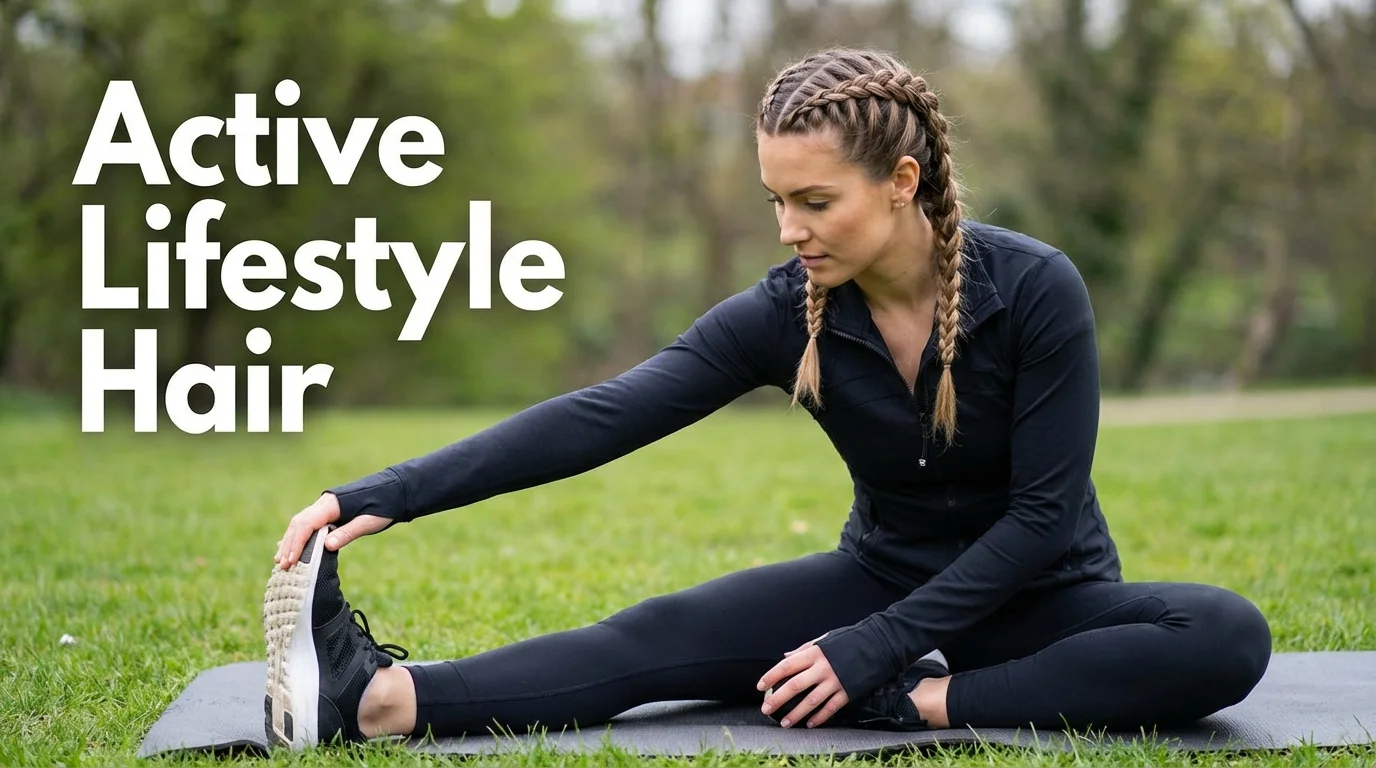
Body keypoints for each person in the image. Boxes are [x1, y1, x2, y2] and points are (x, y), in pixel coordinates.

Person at [262, 47, 1272, 750]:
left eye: (814, 201)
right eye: (774, 201)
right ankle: (375, 702)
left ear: (900, 181)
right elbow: (606, 414)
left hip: (1040, 600)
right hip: (877, 576)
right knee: (647, 641)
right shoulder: (785, 311)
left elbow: (1041, 519)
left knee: (1223, 634)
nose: (788, 229)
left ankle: (926, 703)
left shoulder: (1035, 288)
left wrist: (879, 666)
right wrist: (382, 492)